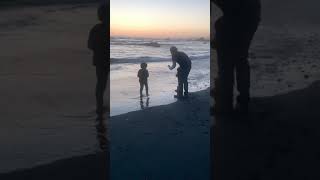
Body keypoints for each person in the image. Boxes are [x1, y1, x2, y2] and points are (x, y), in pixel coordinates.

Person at [212, 0, 261, 114]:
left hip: (242, 16)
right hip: (251, 17)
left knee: (225, 64)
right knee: (240, 59)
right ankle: (243, 101)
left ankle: (225, 104)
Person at [88, 4, 108, 115]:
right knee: (103, 84)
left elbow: (90, 45)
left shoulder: (96, 29)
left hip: (100, 60)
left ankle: (99, 106)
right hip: (106, 60)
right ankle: (100, 106)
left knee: (101, 84)